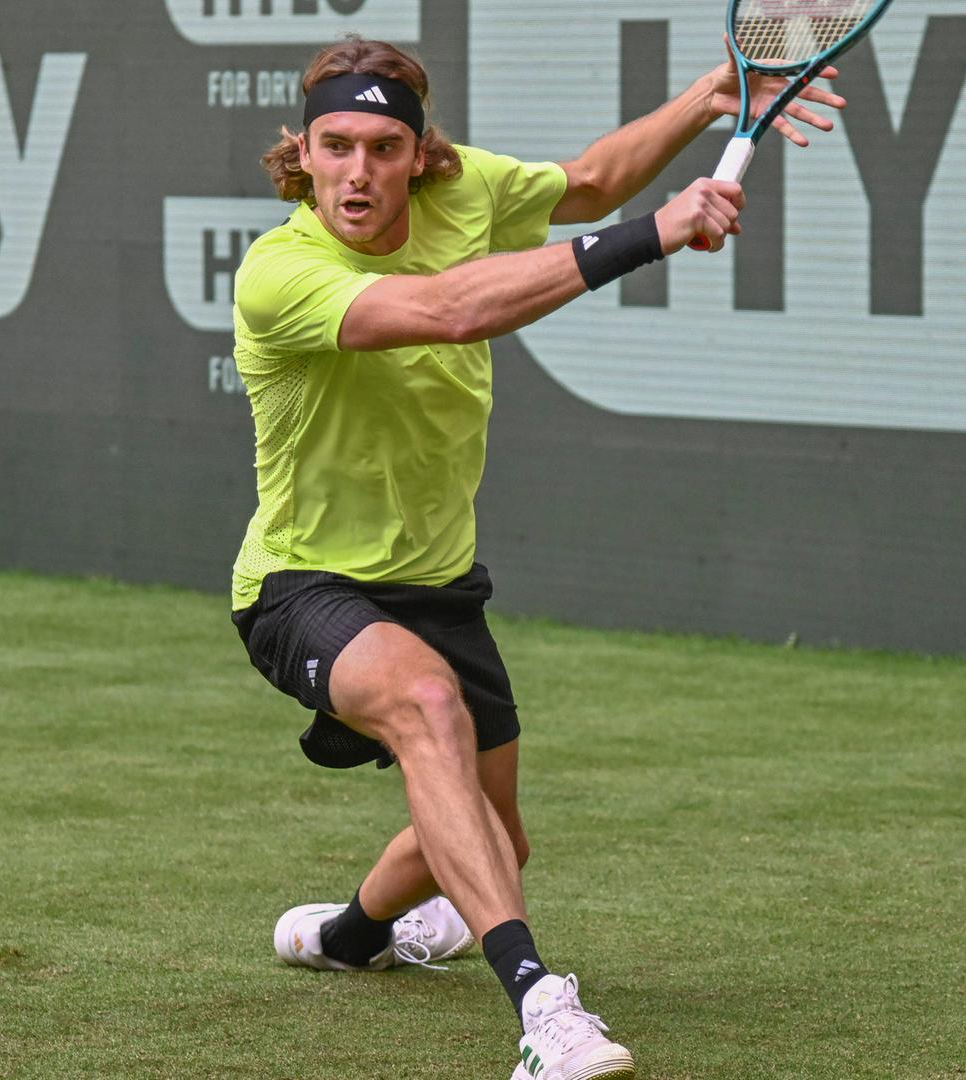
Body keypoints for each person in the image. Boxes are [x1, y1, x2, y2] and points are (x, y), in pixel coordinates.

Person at [228, 36, 843, 1079]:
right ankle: (543, 1010)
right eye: (335, 146)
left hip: (439, 581)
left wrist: (710, 95)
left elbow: (593, 178)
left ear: (420, 155)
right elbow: (449, 309)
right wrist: (651, 234)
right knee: (427, 703)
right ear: (305, 151)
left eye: (384, 148)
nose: (358, 173)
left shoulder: (467, 193)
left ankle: (348, 937)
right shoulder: (279, 272)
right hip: (304, 582)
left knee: (494, 844)